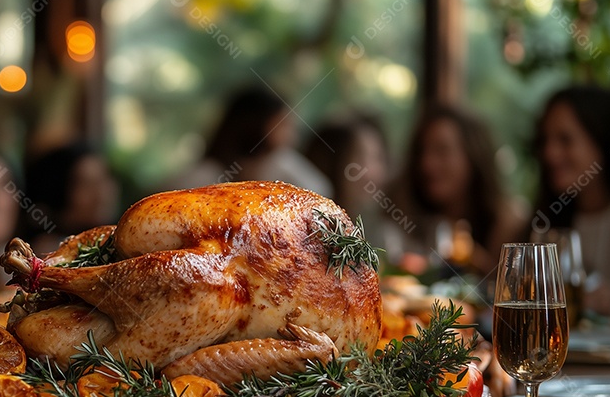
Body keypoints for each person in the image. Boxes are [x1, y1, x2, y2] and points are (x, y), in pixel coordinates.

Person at [532, 85, 610, 323]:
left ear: (604, 142)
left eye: (565, 140)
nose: (550, 153)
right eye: (546, 140)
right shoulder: (557, 221)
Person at [394, 104, 527, 276]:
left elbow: (512, 291)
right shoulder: (407, 220)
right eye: (422, 152)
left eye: (442, 151)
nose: (426, 164)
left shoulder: (508, 224)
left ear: (473, 155)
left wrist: (475, 260)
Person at [165, 86, 333, 196]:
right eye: (284, 125)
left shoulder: (281, 165)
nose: (292, 135)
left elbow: (321, 195)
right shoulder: (202, 178)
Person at [303, 112, 409, 259]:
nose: (376, 172)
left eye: (378, 158)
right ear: (332, 163)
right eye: (361, 158)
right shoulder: (306, 233)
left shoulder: (380, 233)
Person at [24, 142, 120, 255]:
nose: (102, 193)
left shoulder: (120, 243)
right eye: (86, 184)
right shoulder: (49, 255)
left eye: (104, 179)